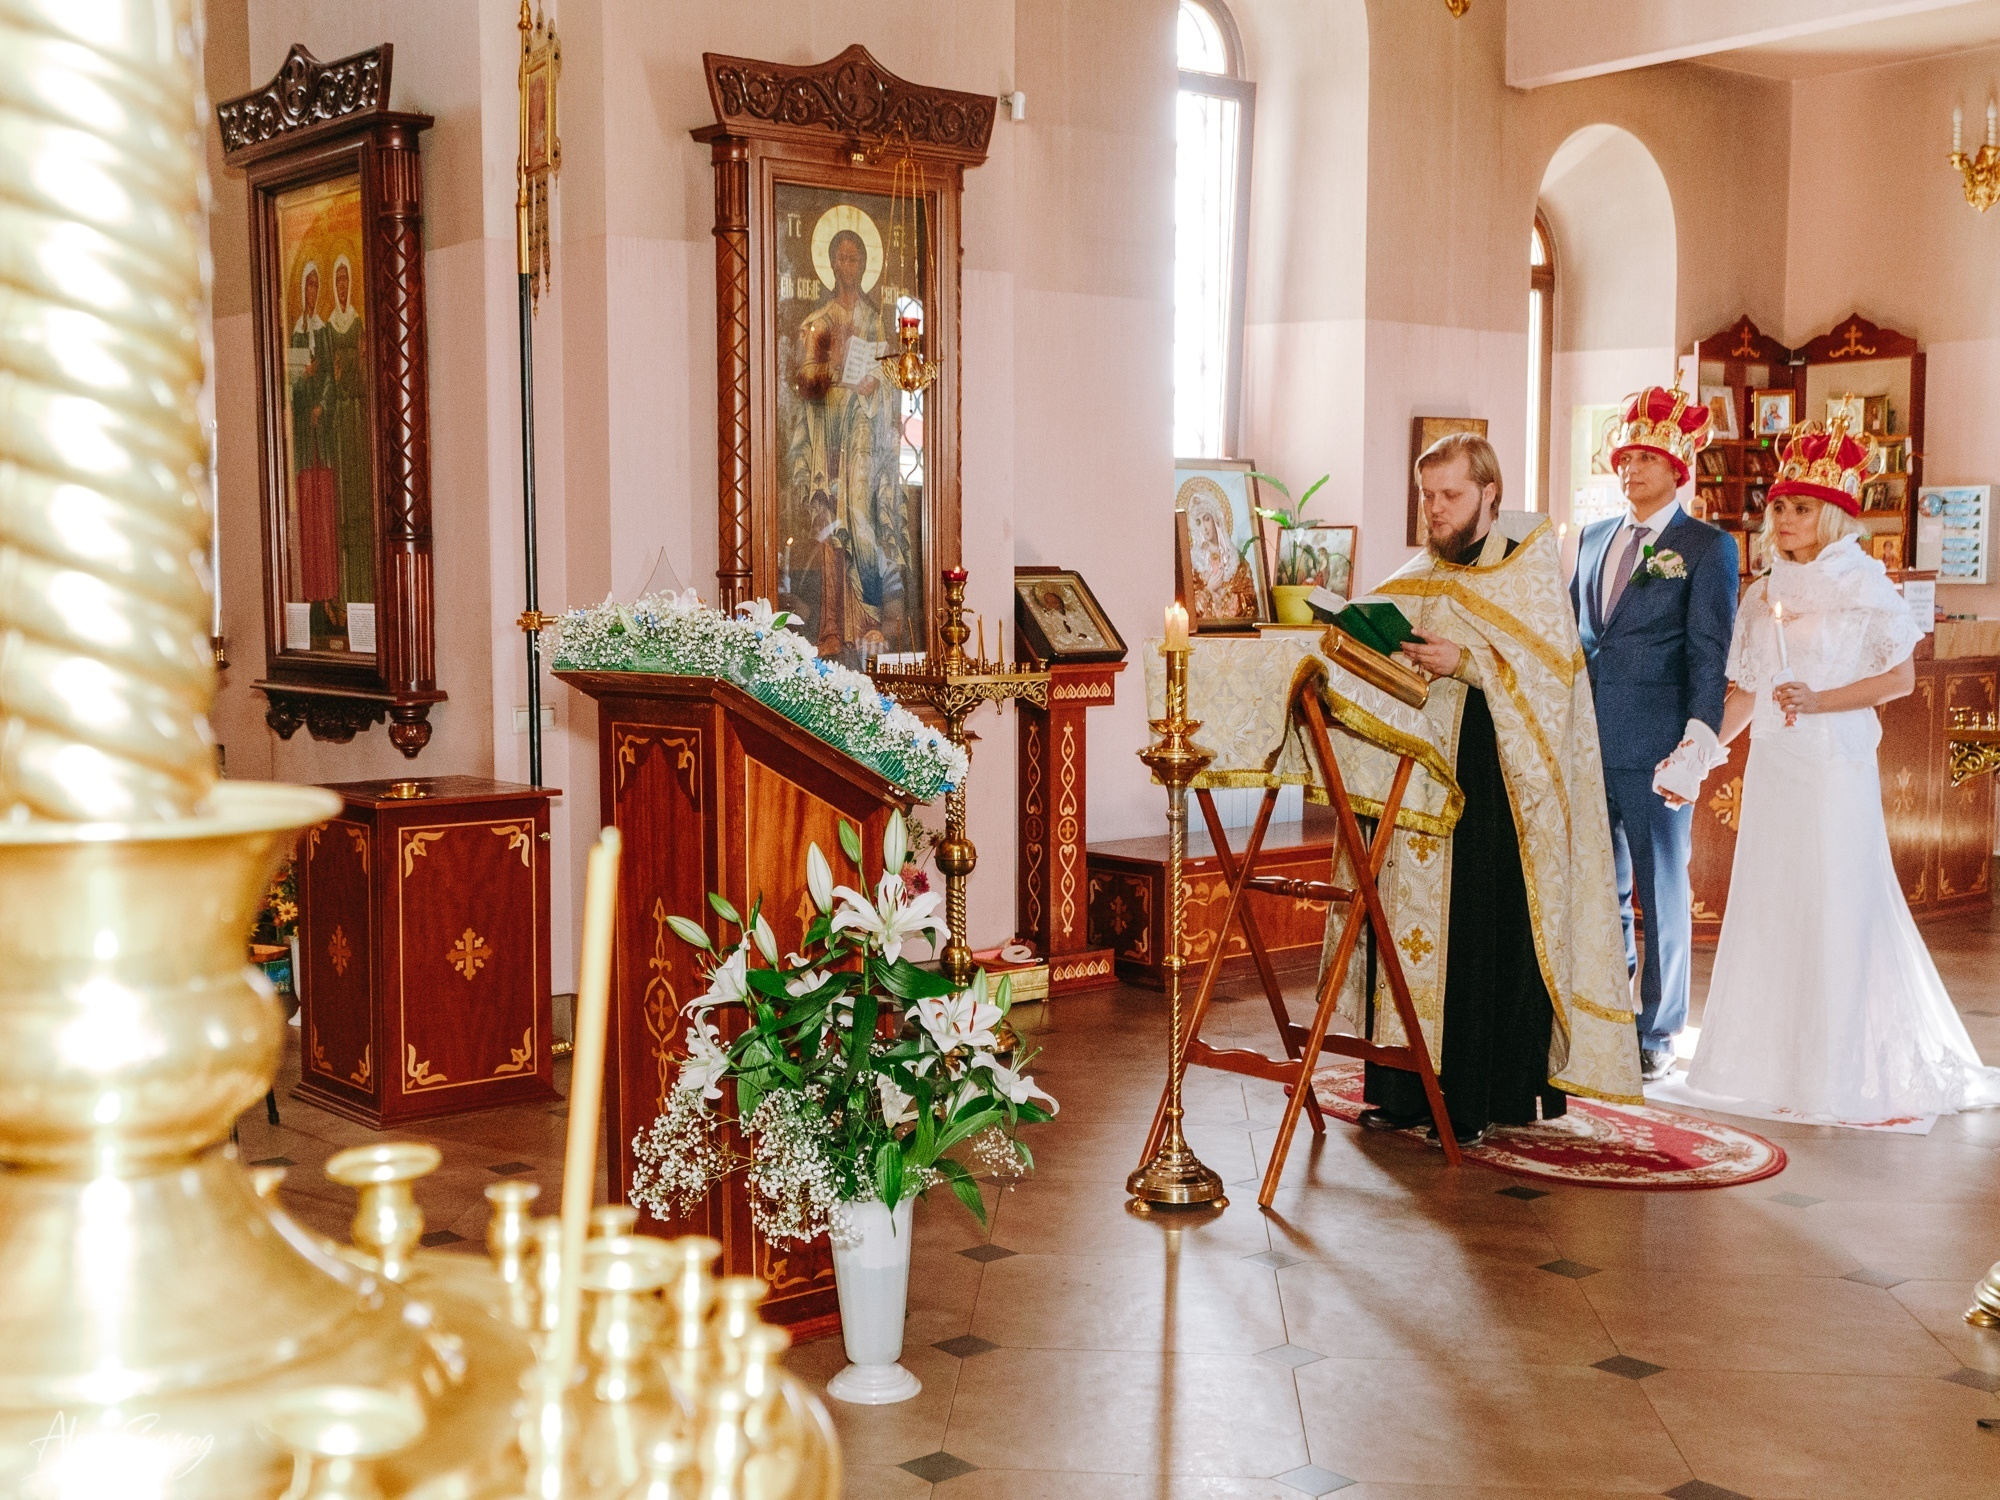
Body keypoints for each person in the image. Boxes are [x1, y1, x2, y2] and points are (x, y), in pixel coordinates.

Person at [1677, 422, 2000, 1121]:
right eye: (1780, 507)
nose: (1785, 519)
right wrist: (1701, 753)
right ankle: (1768, 1064)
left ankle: (1836, 1067)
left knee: (1832, 898)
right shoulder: (1764, 593)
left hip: (1831, 765)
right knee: (1772, 897)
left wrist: (1820, 701)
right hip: (1777, 765)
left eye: (1800, 507)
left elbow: (1899, 679)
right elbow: (1749, 690)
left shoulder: (1864, 584)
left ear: (1830, 513)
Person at [1345, 434, 1639, 1145]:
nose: (1435, 510)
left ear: (1490, 495)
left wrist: (1467, 661)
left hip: (1497, 788)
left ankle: (1475, 1096)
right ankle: (1404, 1089)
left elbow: (1552, 680)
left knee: (1476, 935)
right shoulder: (1423, 570)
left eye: (1450, 496)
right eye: (1427, 496)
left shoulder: (1528, 571)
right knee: (1409, 938)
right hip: (1419, 789)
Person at [1572, 385, 1738, 1083]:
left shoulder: (1706, 547)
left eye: (1646, 458)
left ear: (1678, 469)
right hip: (1589, 740)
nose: (1631, 469)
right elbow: (1581, 638)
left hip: (1657, 746)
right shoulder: (1591, 538)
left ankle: (1660, 1030)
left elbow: (1709, 654)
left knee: (1660, 887)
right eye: (1624, 457)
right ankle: (1607, 1013)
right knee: (1599, 888)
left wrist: (1694, 748)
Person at [784, 222, 907, 662]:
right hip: (826, 441)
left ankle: (868, 621)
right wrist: (832, 367)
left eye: (856, 258)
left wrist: (876, 385)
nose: (849, 265)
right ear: (832, 263)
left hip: (863, 447)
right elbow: (802, 382)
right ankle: (832, 627)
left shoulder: (876, 324)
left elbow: (893, 381)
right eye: (843, 257)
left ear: (863, 265)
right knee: (830, 530)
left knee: (861, 523)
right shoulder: (816, 323)